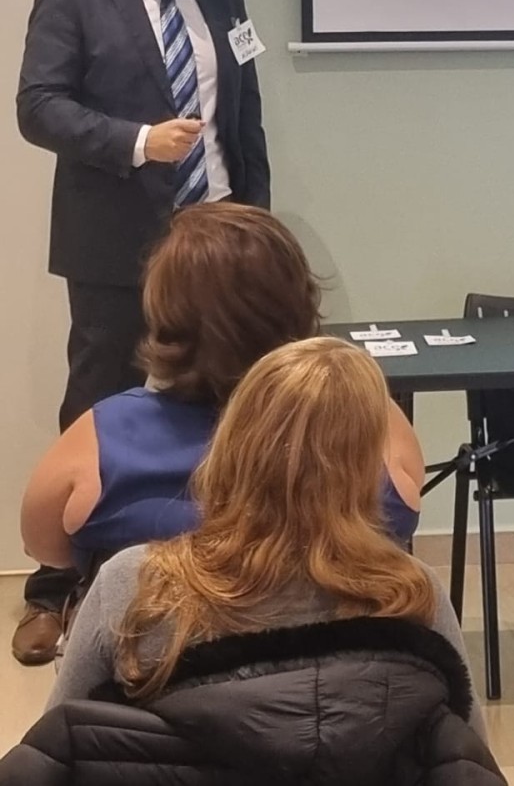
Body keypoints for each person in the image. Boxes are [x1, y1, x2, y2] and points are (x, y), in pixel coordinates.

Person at [0, 339, 503, 786]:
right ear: (368, 468)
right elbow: (465, 759)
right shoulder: (413, 595)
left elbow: (57, 756)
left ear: (230, 444)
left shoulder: (134, 586)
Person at [14, 0, 271, 664]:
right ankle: (58, 588)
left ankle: (228, 573)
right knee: (100, 402)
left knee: (233, 405)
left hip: (220, 238)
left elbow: (245, 114)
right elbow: (38, 106)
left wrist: (257, 225)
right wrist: (137, 141)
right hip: (115, 243)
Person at [19, 203, 424, 580]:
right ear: (300, 302)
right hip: (343, 629)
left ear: (166, 319)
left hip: (154, 631)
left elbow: (45, 548)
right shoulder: (367, 415)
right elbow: (401, 519)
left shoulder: (104, 435)